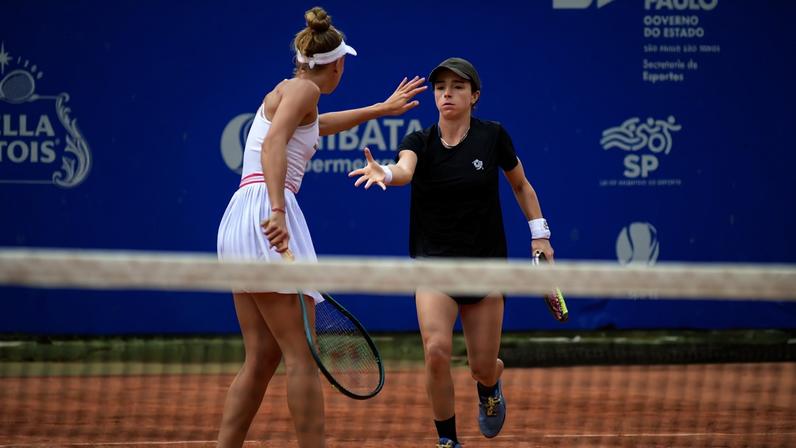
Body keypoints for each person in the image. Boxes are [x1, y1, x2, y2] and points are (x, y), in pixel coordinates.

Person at [216, 7, 426, 448]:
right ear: (338, 65)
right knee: (300, 358)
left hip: (240, 218)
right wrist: (277, 211)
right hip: (266, 211)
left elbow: (316, 129)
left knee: (262, 359)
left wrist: (380, 110)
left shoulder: (296, 94)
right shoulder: (303, 92)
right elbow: (275, 143)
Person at [348, 57, 555, 448]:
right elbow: (404, 170)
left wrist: (539, 235)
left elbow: (522, 186)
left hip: (485, 266)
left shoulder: (493, 136)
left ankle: (490, 384)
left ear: (474, 96)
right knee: (437, 351)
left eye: (458, 87)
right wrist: (386, 174)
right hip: (432, 265)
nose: (447, 93)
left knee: (480, 365)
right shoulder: (418, 141)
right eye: (441, 87)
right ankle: (447, 441)